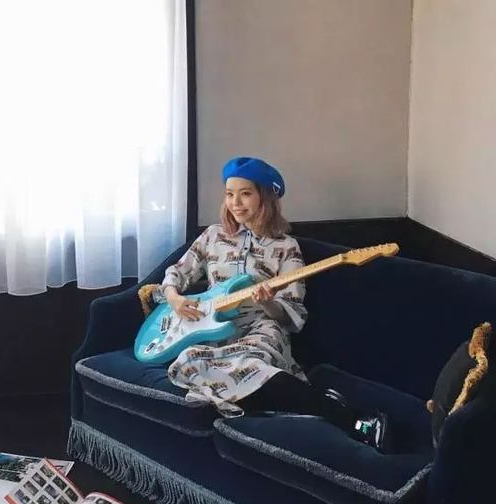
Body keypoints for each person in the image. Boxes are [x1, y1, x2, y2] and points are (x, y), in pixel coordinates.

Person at [156, 156, 390, 452]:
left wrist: (268, 304)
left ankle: (349, 417)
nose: (235, 203)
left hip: (263, 327)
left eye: (245, 194)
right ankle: (295, 398)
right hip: (214, 329)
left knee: (251, 366)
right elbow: (178, 272)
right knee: (188, 360)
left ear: (265, 197)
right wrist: (174, 298)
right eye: (229, 194)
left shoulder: (286, 248)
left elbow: (292, 314)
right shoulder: (213, 236)